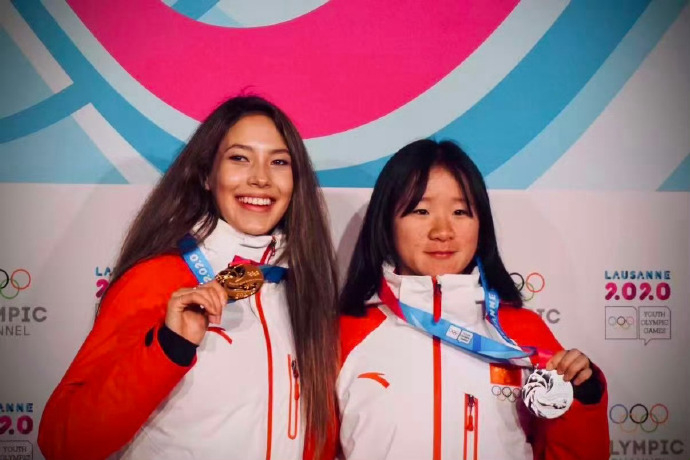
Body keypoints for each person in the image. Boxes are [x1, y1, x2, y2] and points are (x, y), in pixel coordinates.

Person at [38, 96, 339, 460]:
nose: (260, 178)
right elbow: (64, 441)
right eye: (239, 158)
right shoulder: (156, 279)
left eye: (279, 162)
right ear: (206, 176)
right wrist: (169, 347)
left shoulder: (303, 291)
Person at [336, 139, 609, 459]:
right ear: (386, 223)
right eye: (421, 211)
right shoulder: (344, 334)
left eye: (460, 212)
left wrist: (582, 395)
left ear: (481, 225)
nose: (442, 231)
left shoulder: (523, 332)